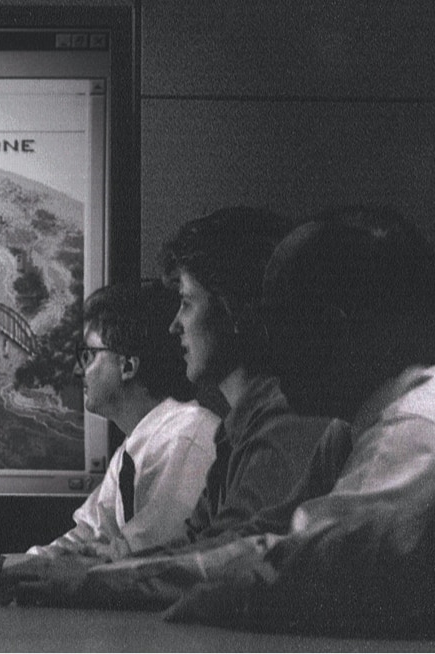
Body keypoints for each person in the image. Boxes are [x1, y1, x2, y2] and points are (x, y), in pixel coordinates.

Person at [0, 207, 350, 606]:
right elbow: (201, 547)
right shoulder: (235, 429)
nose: (175, 325)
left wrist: (93, 579)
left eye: (187, 303)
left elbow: (231, 557)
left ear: (235, 310)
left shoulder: (285, 421)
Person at [161, 206, 435, 636]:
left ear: (336, 328)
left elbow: (289, 566)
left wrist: (92, 582)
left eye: (279, 317)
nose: (264, 341)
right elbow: (257, 540)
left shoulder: (414, 431)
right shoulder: (349, 428)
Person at [0, 280, 219, 581]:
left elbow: (145, 559)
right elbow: (86, 539)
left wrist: (7, 569)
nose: (78, 370)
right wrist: (4, 565)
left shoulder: (186, 437)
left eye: (88, 355)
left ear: (127, 366)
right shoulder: (133, 450)